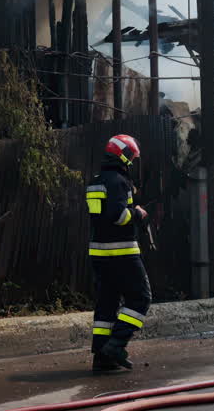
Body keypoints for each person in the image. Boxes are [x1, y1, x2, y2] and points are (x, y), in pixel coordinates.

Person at [85, 134, 152, 373]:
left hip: (99, 254)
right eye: (131, 158)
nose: (132, 163)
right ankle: (116, 345)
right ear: (123, 156)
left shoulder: (96, 180)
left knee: (107, 304)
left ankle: (102, 357)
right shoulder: (118, 181)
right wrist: (137, 213)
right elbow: (118, 216)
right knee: (141, 298)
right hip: (122, 252)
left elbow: (100, 218)